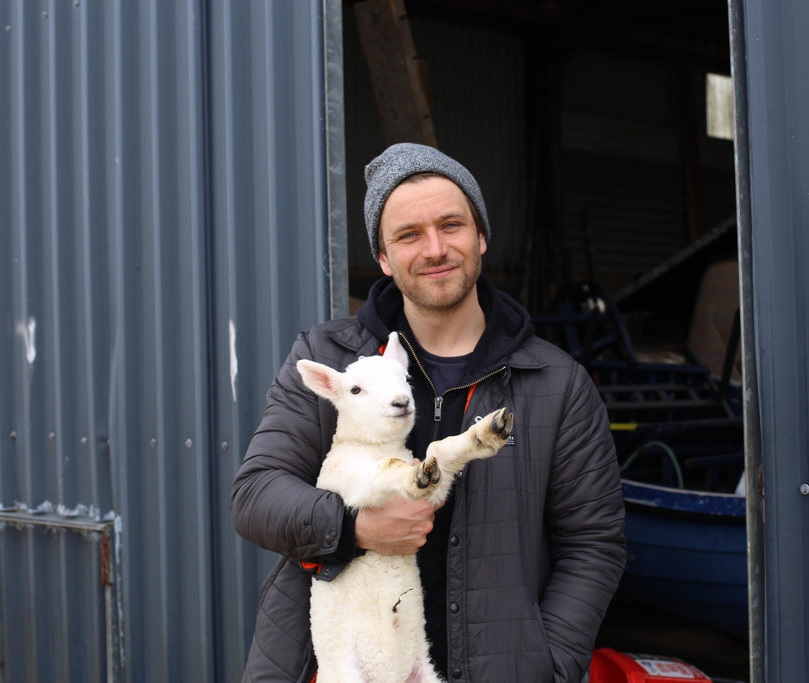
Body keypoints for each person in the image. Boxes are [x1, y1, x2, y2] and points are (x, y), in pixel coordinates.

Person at [231, 142, 626, 682]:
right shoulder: (328, 360)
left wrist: (548, 664)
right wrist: (355, 528)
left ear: (481, 236)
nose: (435, 248)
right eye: (409, 235)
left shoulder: (557, 383)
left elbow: (593, 544)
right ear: (384, 258)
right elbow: (256, 495)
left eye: (451, 225)